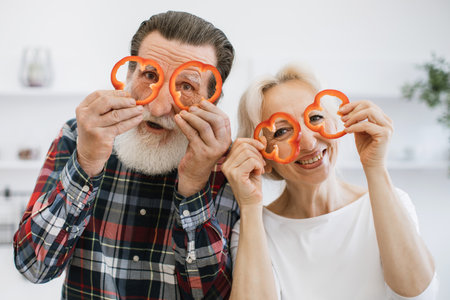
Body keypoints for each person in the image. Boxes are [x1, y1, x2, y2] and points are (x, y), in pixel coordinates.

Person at [13, 11, 238, 300]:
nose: (158, 108)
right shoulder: (78, 136)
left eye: (186, 86)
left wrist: (194, 184)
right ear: (129, 75)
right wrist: (87, 163)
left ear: (212, 102)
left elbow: (211, 295)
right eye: (150, 75)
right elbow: (33, 266)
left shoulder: (227, 166)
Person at [223, 64, 438, 299]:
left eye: (315, 117)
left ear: (337, 123)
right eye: (282, 132)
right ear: (263, 154)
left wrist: (375, 168)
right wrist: (250, 205)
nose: (309, 143)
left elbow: (419, 294)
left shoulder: (390, 203)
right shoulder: (253, 229)